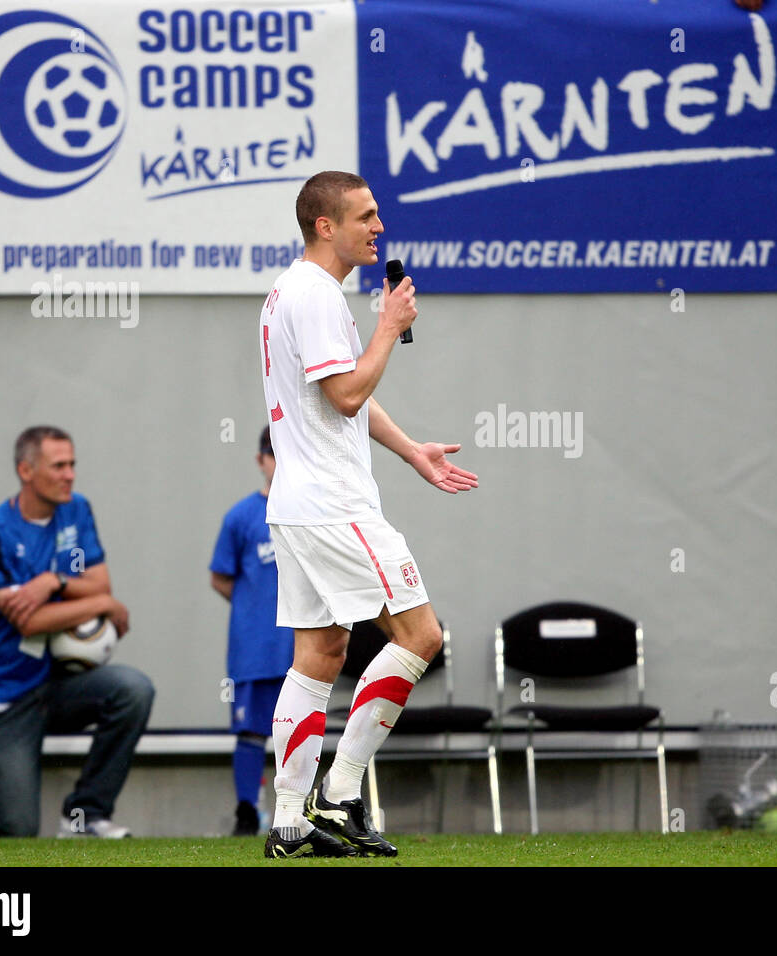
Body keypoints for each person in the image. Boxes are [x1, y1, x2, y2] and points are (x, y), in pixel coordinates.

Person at [257, 170, 478, 859]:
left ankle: (290, 822)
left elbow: (338, 391)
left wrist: (412, 450)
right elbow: (349, 394)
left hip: (296, 506)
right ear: (326, 226)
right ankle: (345, 790)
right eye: (365, 216)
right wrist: (388, 326)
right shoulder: (318, 294)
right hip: (334, 506)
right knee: (421, 634)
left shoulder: (291, 291)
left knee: (318, 655)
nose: (379, 227)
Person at [0, 426, 154, 839]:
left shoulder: (76, 511)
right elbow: (29, 621)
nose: (70, 474)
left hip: (51, 684)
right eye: (58, 466)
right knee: (15, 829)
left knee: (133, 690)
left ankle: (86, 817)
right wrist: (103, 605)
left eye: (72, 464)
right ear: (25, 470)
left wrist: (54, 581)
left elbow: (98, 584)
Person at [209, 425, 294, 836]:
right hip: (254, 648)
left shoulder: (309, 511)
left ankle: (294, 812)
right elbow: (221, 577)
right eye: (272, 454)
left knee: (296, 727)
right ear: (260, 460)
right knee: (251, 729)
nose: (280, 463)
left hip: (298, 647)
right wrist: (253, 609)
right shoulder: (240, 517)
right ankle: (247, 810)